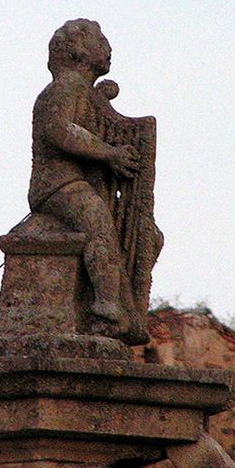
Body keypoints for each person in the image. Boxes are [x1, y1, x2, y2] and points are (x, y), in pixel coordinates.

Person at [28, 19, 139, 325]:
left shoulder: (83, 91)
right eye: (100, 41)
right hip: (56, 186)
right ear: (78, 52)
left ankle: (125, 300)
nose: (108, 48)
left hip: (79, 183)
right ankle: (106, 306)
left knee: (150, 237)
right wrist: (110, 153)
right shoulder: (63, 88)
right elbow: (60, 130)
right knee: (97, 220)